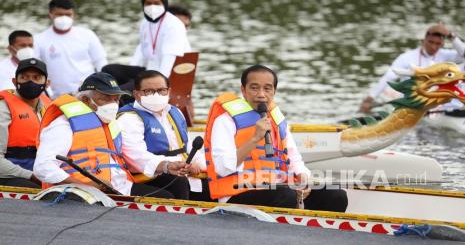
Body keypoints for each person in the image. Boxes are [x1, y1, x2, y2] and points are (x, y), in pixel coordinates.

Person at [204, 64, 348, 211]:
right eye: (254, 88)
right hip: (238, 192)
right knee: (286, 196)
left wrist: (304, 179)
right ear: (243, 90)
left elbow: (294, 159)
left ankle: (312, 232)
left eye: (267, 88)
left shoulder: (277, 119)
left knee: (336, 195)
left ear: (274, 91)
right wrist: (255, 138)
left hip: (278, 187)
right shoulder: (225, 120)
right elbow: (223, 168)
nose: (261, 94)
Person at [33, 72, 189, 197]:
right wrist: (85, 185)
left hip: (119, 186)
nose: (113, 105)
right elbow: (43, 167)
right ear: (86, 100)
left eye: (116, 99)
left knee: (176, 184)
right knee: (164, 198)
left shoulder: (109, 122)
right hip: (84, 194)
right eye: (105, 99)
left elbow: (132, 155)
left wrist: (166, 166)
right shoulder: (64, 124)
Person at [117, 70, 209, 200]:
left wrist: (206, 166)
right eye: (148, 91)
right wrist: (170, 165)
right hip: (149, 176)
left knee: (216, 180)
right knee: (178, 182)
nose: (156, 95)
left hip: (183, 172)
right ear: (136, 94)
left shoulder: (175, 112)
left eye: (162, 90)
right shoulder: (129, 118)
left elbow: (187, 150)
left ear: (169, 91)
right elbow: (136, 157)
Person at [359, 23, 465, 113]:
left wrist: (451, 36)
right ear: (424, 40)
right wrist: (370, 98)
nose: (434, 47)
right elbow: (389, 76)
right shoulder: (407, 57)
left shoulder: (447, 55)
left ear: (442, 44)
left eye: (438, 44)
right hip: (414, 101)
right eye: (431, 42)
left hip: (438, 101)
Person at [34, 0, 108, 97]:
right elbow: (35, 70)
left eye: (68, 15)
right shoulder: (39, 39)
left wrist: (104, 87)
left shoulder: (87, 35)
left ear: (74, 16)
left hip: (87, 93)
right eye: (59, 14)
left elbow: (100, 62)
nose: (64, 18)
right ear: (50, 15)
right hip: (56, 96)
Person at [0, 58, 51, 188]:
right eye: (24, 77)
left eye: (36, 77)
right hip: (10, 175)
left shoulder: (49, 106)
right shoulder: (3, 109)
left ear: (46, 84)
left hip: (42, 171)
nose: (30, 82)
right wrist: (31, 176)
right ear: (14, 81)